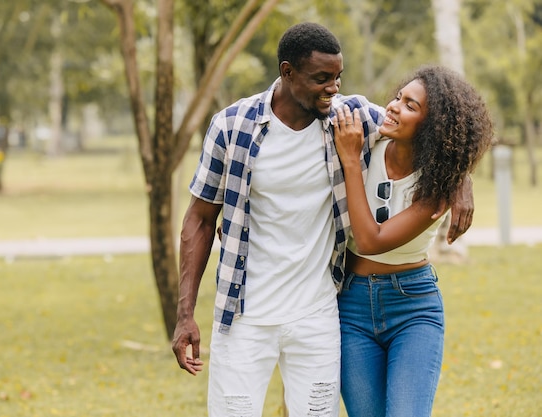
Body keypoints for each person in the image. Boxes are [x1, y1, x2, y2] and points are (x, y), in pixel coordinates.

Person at [171, 22, 472, 417]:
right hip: (243, 316)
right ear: (287, 72)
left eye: (337, 78)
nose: (333, 88)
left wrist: (463, 178)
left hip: (318, 316)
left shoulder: (352, 117)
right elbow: (199, 219)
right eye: (321, 79)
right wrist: (185, 313)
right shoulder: (232, 126)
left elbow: (440, 130)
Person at [331, 65, 494, 417]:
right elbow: (321, 98)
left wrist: (348, 160)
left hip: (413, 308)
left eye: (410, 105)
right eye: (397, 97)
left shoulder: (435, 188)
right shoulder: (369, 144)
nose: (392, 106)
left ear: (433, 127)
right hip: (352, 306)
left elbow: (370, 240)